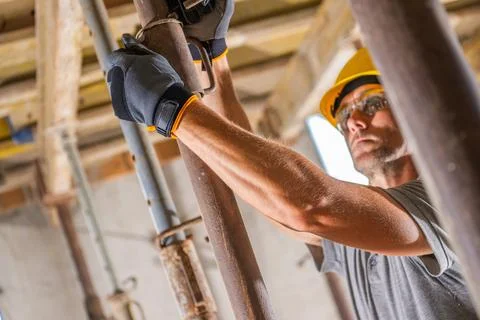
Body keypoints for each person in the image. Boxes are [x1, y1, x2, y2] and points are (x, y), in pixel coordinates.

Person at [105, 1, 477, 319]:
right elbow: (282, 203)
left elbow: (312, 204)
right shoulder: (358, 240)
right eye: (344, 116)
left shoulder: (455, 202)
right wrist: (213, 58)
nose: (355, 123)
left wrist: (174, 110)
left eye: (372, 103)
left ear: (414, 107)